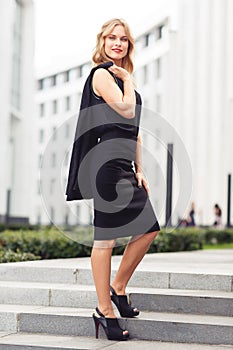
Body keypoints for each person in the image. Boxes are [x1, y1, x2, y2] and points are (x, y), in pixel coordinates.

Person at [66, 18, 160, 341]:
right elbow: (125, 111)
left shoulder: (122, 78)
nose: (117, 43)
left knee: (149, 228)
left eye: (123, 39)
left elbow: (136, 132)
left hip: (123, 164)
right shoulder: (103, 75)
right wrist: (130, 80)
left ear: (128, 46)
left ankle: (118, 287)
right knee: (104, 239)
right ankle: (104, 310)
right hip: (104, 165)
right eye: (112, 38)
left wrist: (140, 168)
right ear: (103, 42)